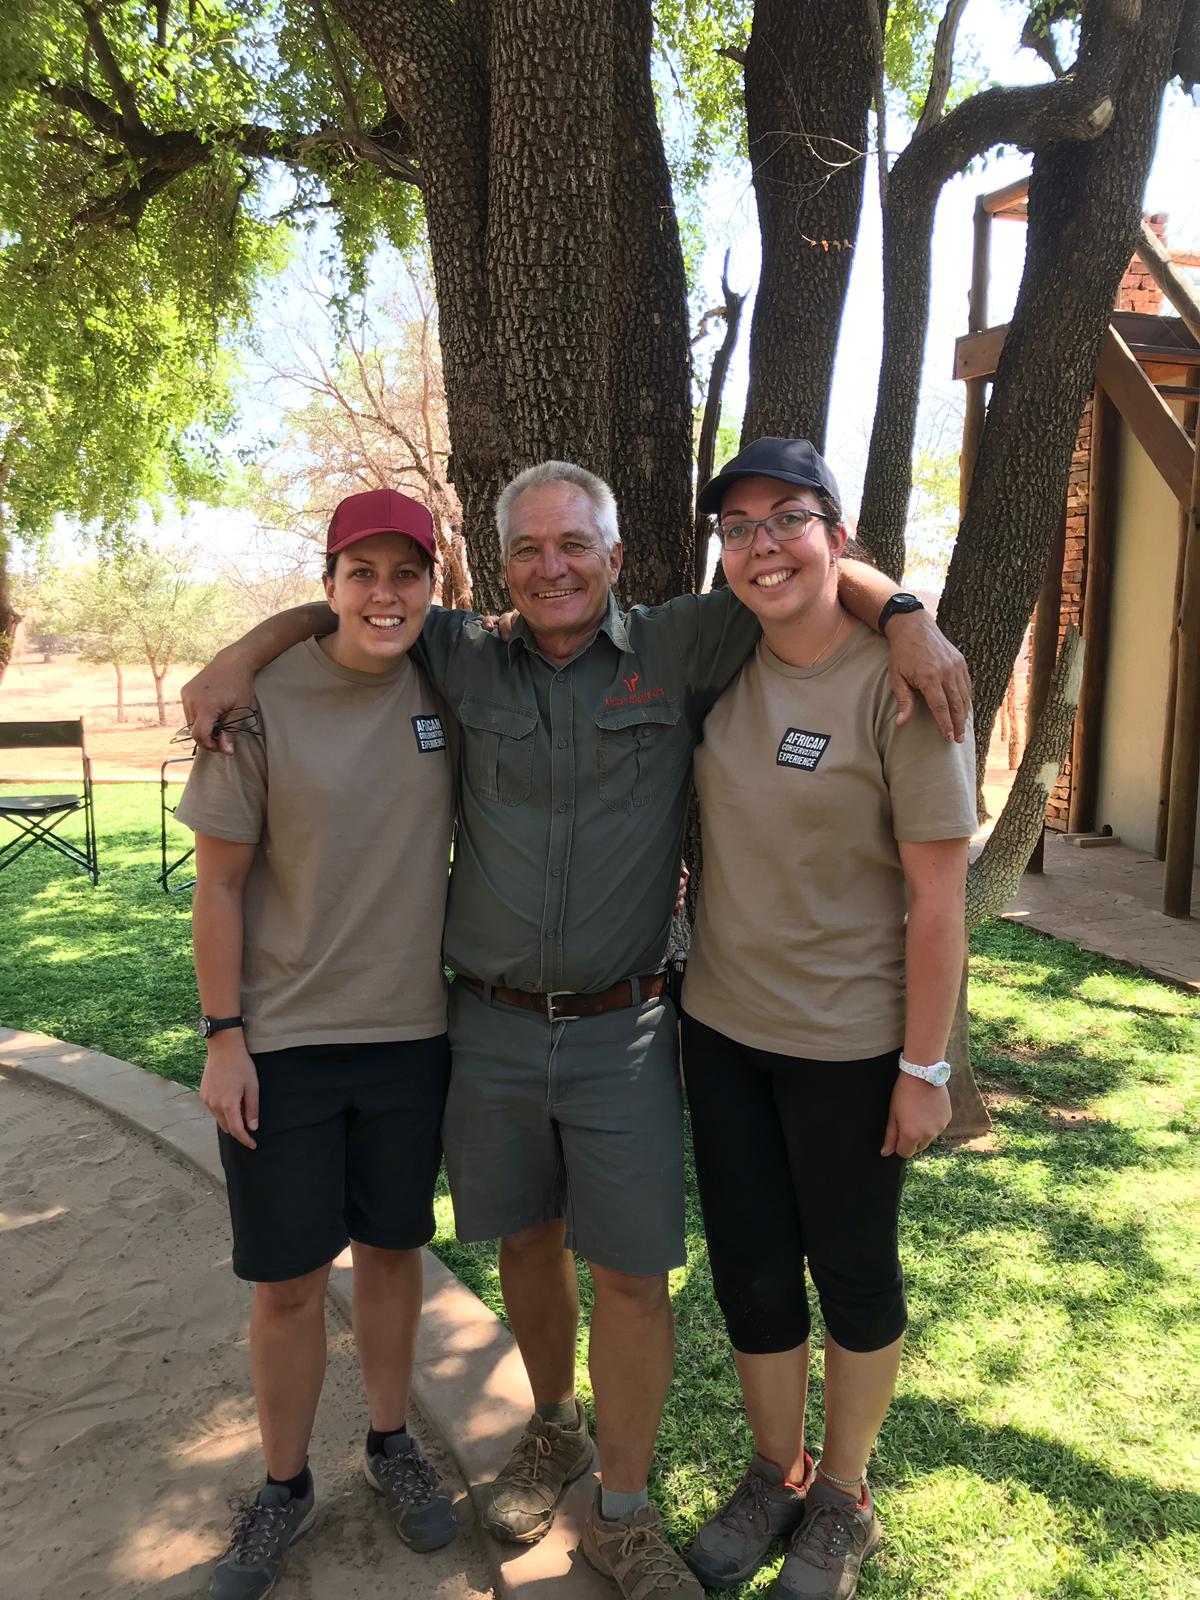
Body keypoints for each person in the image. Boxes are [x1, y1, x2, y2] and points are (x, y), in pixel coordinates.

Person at [181, 460, 971, 1600]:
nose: (552, 567)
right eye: (527, 549)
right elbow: (355, 597)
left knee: (636, 1272)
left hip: (631, 1026)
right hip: (487, 1024)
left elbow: (794, 564)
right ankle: (555, 1425)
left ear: (615, 556)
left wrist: (905, 616)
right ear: (497, 568)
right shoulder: (457, 655)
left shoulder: (687, 643)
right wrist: (243, 651)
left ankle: (624, 1508)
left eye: (574, 545)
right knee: (526, 1244)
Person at [678, 438, 978, 1600]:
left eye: (789, 520)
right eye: (740, 527)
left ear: (837, 536)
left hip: (853, 1046)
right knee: (752, 1270)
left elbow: (940, 896)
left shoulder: (901, 682)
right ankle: (776, 1470)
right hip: (722, 1029)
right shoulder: (717, 663)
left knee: (851, 1266)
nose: (764, 546)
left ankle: (845, 1496)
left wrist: (924, 1065)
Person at [176, 488, 459, 1600]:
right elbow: (219, 887)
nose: (385, 595)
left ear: (436, 588)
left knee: (392, 1255)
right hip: (281, 1045)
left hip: (412, 1039)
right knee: (288, 1282)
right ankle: (283, 1485)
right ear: (329, 580)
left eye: (408, 573)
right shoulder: (260, 705)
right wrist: (224, 1037)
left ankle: (392, 1442)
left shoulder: (452, 678)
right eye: (363, 572)